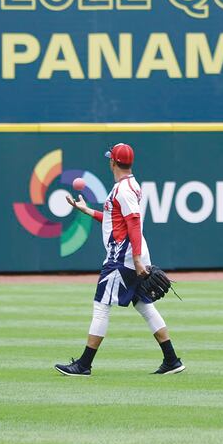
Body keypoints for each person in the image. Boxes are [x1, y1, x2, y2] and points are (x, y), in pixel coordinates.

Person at [54, 143, 184, 377]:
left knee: (101, 307)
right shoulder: (130, 186)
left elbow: (133, 222)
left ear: (113, 162)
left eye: (110, 159)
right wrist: (87, 211)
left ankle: (84, 364)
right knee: (144, 305)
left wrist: (135, 259)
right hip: (131, 254)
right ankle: (172, 359)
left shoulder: (123, 190)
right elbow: (116, 220)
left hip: (122, 258)